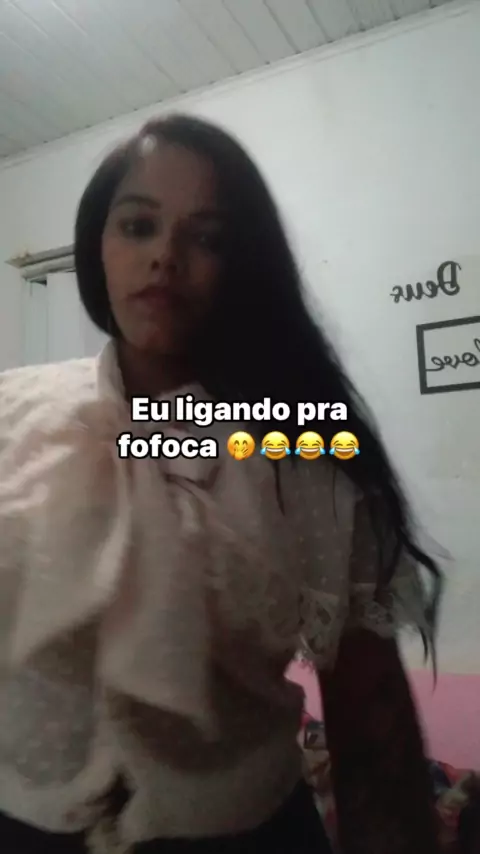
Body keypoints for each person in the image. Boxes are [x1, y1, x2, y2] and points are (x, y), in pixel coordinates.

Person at [0, 114, 443, 854]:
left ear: (243, 264)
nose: (165, 256)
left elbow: (374, 736)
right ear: (97, 245)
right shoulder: (11, 414)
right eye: (138, 226)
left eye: (207, 238)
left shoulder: (306, 461)